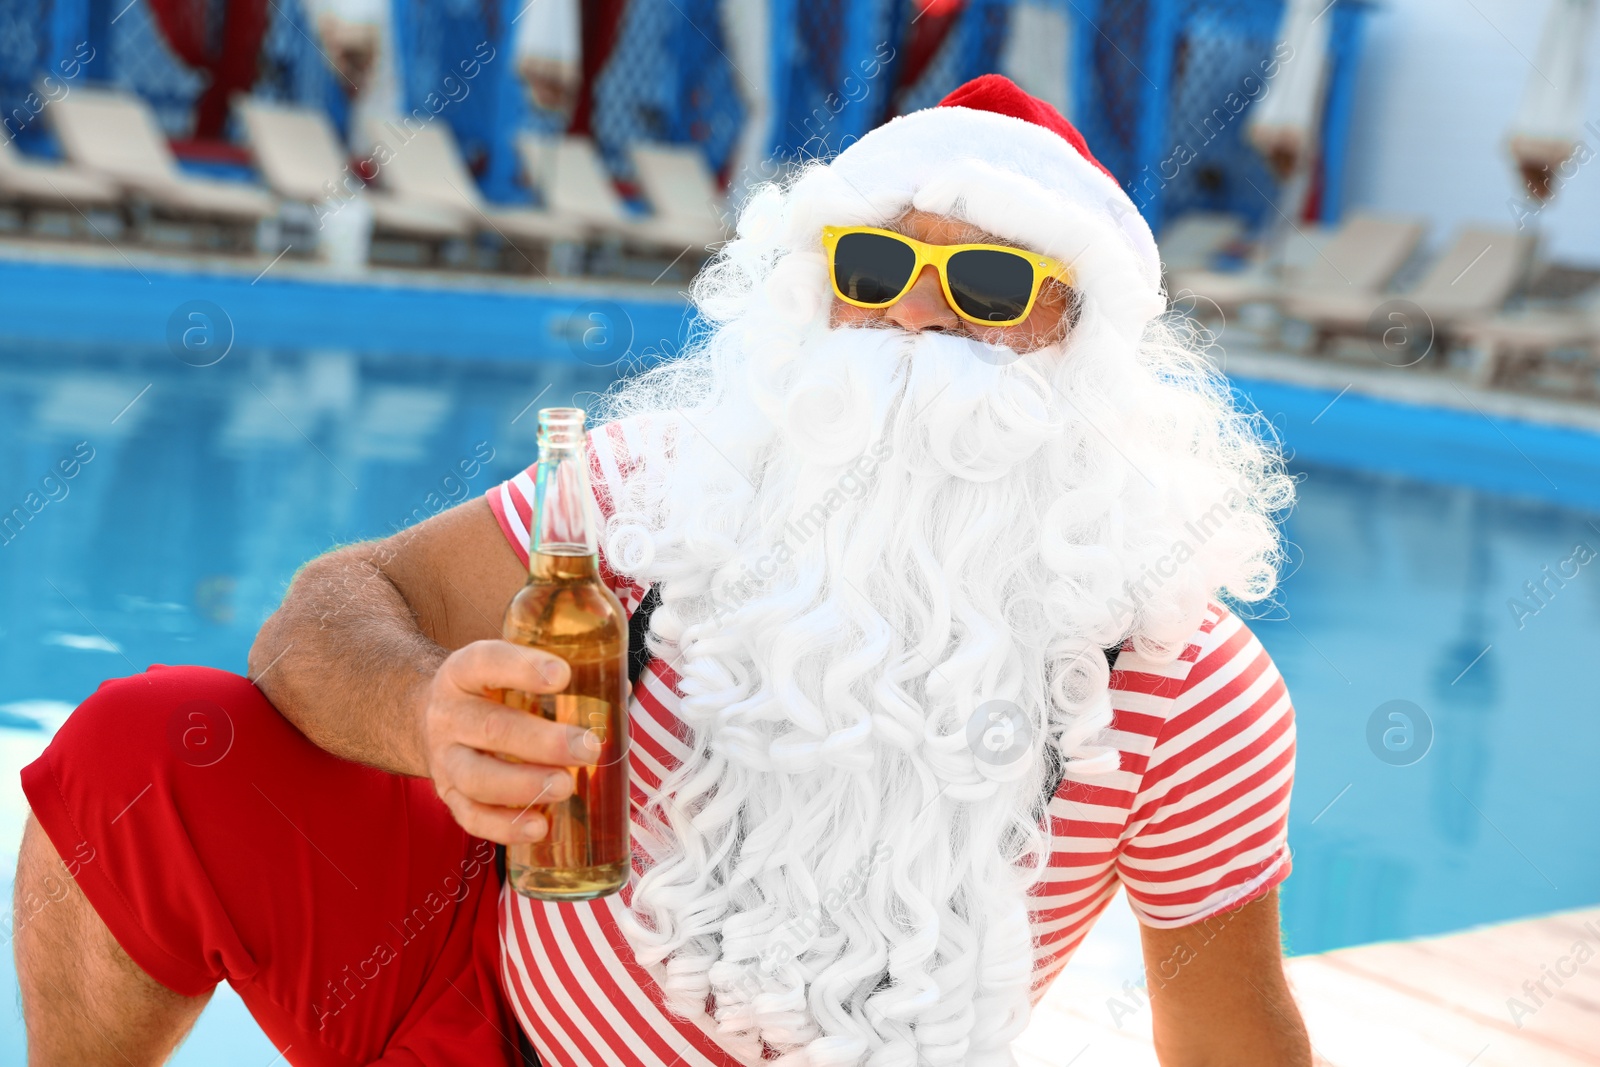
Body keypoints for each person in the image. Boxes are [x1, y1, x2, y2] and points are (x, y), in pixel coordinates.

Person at [14, 75, 1309, 1066]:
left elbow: (1223, 1029)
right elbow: (329, 612)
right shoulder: (659, 488)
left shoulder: (1184, 684)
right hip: (472, 1009)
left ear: (1074, 336)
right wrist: (426, 713)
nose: (916, 315)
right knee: (146, 750)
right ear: (824, 297)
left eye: (984, 281)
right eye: (876, 267)